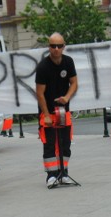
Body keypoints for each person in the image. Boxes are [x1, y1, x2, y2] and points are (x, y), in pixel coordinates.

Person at [35, 32, 78, 188]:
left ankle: (64, 172)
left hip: (63, 110)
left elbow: (74, 83)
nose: (56, 49)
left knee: (65, 143)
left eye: (59, 46)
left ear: (63, 46)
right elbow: (39, 93)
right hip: (48, 111)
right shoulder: (43, 67)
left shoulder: (68, 62)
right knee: (50, 144)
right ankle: (51, 175)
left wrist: (67, 97)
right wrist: (46, 115)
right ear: (49, 47)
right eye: (53, 46)